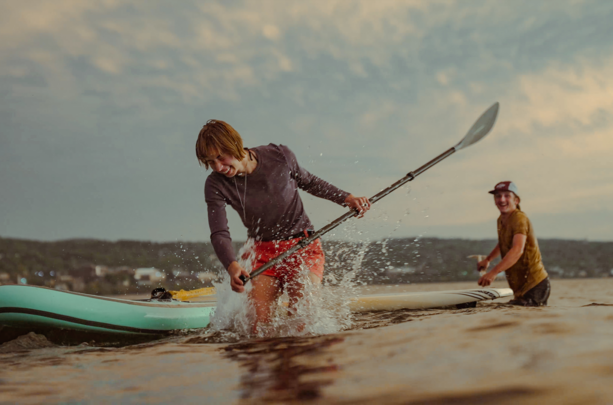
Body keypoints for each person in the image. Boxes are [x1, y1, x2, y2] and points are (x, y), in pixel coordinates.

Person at [196, 120, 371, 331]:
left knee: (302, 320)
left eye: (219, 157)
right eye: (210, 162)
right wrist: (232, 266)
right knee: (257, 327)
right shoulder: (215, 184)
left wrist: (347, 198)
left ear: (234, 143)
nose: (217, 167)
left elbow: (309, 181)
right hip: (261, 253)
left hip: (303, 246)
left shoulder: (279, 156)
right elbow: (219, 232)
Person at [477, 181, 551, 306]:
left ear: (516, 201)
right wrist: (488, 259)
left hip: (535, 285)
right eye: (498, 196)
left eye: (507, 196)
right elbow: (503, 243)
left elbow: (517, 249)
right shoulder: (501, 220)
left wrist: (493, 272)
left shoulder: (519, 218)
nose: (502, 199)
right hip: (520, 288)